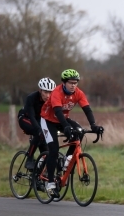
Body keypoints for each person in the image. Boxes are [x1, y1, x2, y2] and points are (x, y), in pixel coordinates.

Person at [39, 69, 104, 198]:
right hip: (48, 120)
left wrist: (93, 125)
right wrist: (66, 126)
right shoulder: (56, 92)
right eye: (70, 82)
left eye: (75, 82)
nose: (73, 85)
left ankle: (67, 159)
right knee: (53, 149)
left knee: (79, 132)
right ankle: (50, 183)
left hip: (62, 119)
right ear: (64, 82)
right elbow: (57, 112)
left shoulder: (78, 93)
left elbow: (87, 109)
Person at [18, 78, 57, 170]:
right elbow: (31, 116)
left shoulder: (52, 101)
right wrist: (39, 130)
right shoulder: (31, 98)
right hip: (26, 118)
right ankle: (29, 158)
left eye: (50, 93)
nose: (48, 95)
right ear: (40, 90)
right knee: (38, 133)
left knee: (46, 150)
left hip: (39, 120)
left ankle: (38, 175)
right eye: (46, 92)